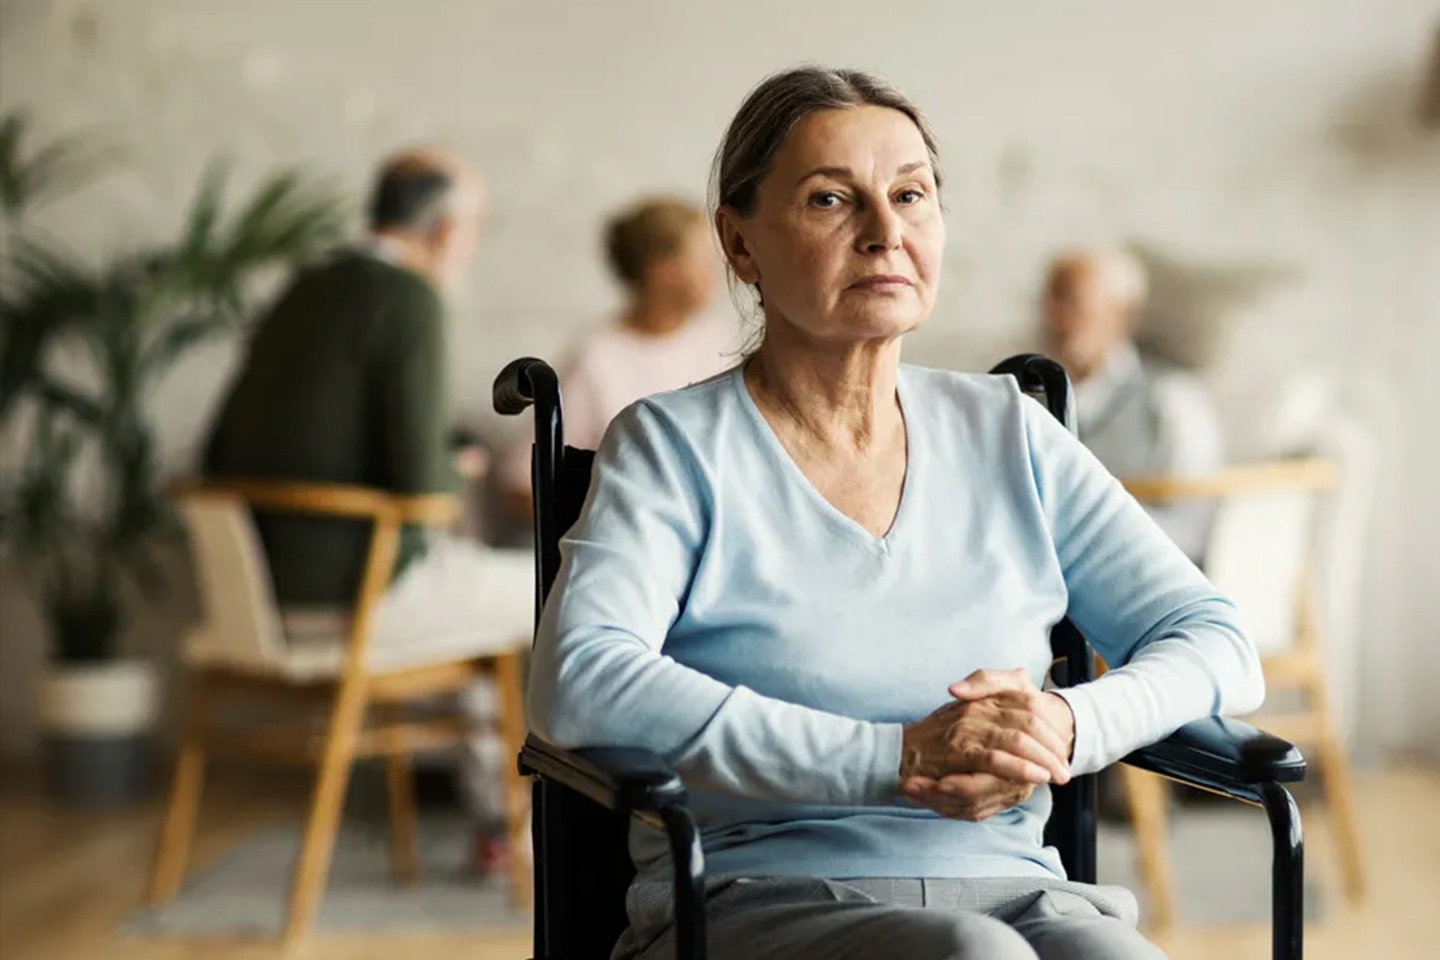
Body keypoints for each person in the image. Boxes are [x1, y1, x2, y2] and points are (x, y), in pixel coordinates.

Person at [527, 68, 1265, 960]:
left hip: (1020, 888)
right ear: (741, 242)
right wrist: (898, 758)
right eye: (831, 199)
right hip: (756, 899)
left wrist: (1068, 725)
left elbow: (1216, 637)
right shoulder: (672, 445)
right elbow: (580, 679)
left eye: (911, 194)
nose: (885, 232)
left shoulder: (1010, 431)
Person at [203, 146, 531, 872]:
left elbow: (218, 447)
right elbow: (423, 488)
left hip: (258, 602)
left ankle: (496, 827)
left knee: (475, 612)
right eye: (474, 230)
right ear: (445, 231)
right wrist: (460, 466)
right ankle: (545, 832)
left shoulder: (303, 287)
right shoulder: (409, 298)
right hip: (356, 601)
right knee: (557, 585)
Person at [501, 196, 734, 515]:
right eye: (703, 258)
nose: (717, 271)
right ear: (662, 270)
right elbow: (522, 483)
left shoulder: (717, 341)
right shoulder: (597, 356)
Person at [1043, 250, 1224, 562]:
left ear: (1122, 314)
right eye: (1053, 303)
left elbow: (1192, 527)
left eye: (1074, 303)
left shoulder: (1173, 401)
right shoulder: (1025, 402)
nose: (1058, 319)